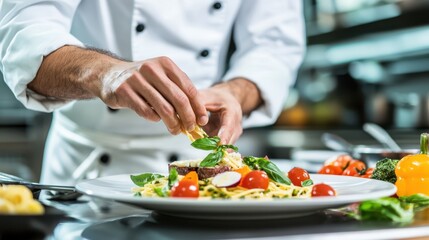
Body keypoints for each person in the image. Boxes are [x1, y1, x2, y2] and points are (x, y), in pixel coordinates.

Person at [0, 1, 305, 185]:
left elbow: (274, 45)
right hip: (88, 167)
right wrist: (104, 72)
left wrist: (235, 93)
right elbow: (23, 34)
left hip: (200, 166)